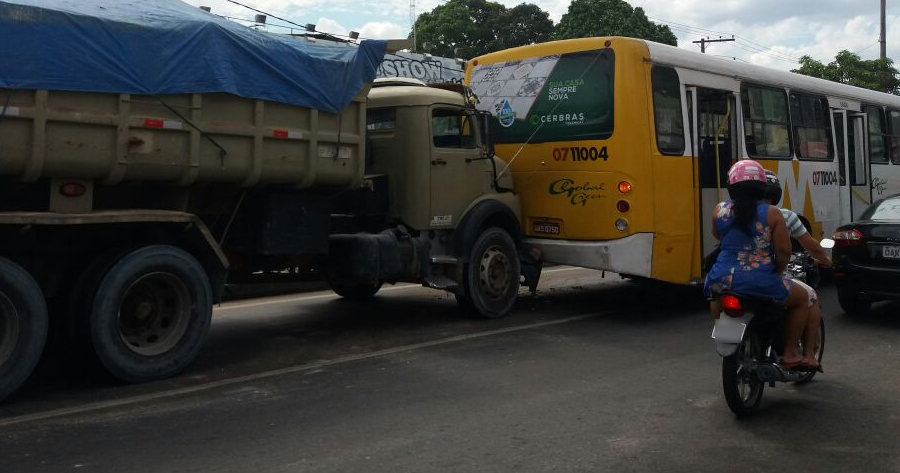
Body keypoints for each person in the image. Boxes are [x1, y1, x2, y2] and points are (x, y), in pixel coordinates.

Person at [704, 160, 813, 368]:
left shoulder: (719, 210)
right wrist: (777, 271)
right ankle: (790, 353)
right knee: (803, 299)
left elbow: (717, 235)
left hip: (720, 277)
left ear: (732, 187)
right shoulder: (772, 213)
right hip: (760, 280)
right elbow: (784, 251)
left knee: (715, 297)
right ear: (762, 187)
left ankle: (726, 335)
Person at [763, 170, 828, 369]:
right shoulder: (782, 215)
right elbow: (796, 249)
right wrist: (826, 260)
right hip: (767, 277)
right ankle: (801, 354)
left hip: (730, 276)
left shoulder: (729, 213)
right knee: (809, 297)